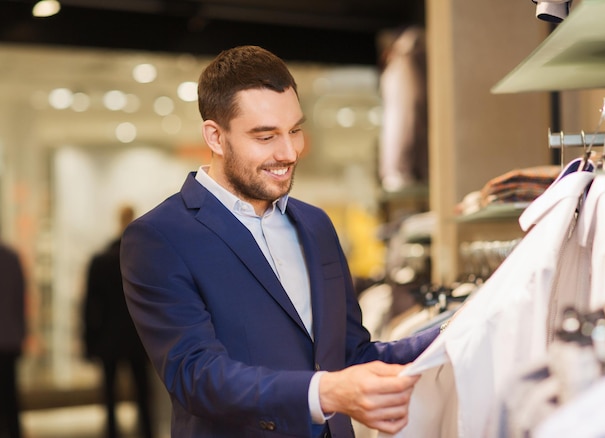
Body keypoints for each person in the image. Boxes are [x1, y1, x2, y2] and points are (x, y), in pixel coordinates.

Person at [120, 45, 440, 438]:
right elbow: (197, 377)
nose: (289, 152)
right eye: (266, 136)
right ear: (216, 137)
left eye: (295, 131)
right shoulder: (159, 237)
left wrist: (454, 333)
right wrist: (325, 392)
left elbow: (350, 354)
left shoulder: (315, 224)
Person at [83, 206, 153, 438]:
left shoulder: (101, 260)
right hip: (137, 338)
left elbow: (91, 306)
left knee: (110, 395)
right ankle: (146, 431)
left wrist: (89, 342)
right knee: (143, 394)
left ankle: (112, 433)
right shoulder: (143, 261)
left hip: (108, 339)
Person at [0, 241, 26, 438]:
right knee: (10, 396)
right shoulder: (11, 258)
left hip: (9, 337)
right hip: (10, 338)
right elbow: (20, 301)